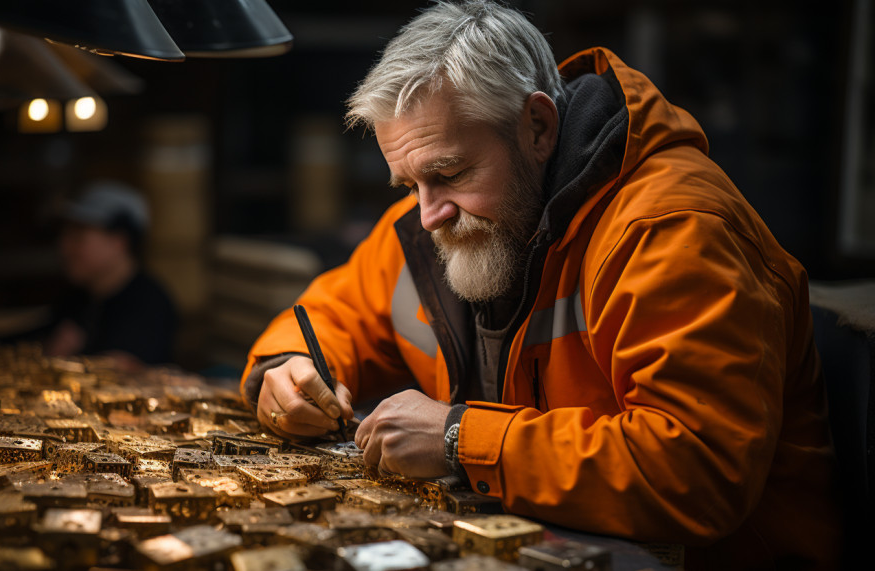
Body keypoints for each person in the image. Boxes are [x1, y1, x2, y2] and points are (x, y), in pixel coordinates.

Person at [241, 1, 842, 568]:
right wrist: (286, 367)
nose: (428, 215)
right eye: (409, 184)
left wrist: (459, 438)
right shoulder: (431, 226)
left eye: (450, 172)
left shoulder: (673, 231)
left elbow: (697, 474)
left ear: (537, 126)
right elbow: (335, 313)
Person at [44, 180, 177, 368]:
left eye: (77, 237)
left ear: (118, 241)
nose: (64, 247)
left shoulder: (148, 303)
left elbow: (124, 368)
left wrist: (59, 359)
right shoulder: (78, 297)